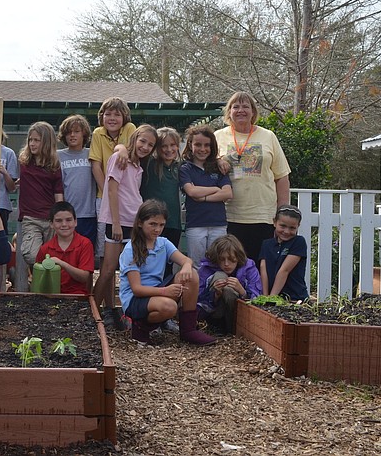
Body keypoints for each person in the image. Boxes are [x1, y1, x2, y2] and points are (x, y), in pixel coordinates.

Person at [119, 199, 216, 345]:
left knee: (192, 276)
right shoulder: (130, 250)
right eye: (152, 224)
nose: (157, 229)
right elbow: (137, 289)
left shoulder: (163, 242)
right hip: (135, 299)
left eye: (161, 225)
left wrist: (186, 267)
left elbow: (186, 260)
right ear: (140, 223)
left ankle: (188, 330)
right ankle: (140, 327)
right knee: (170, 307)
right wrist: (165, 291)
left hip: (158, 291)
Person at [214, 91, 291, 264]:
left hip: (263, 216)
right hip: (228, 216)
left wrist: (282, 214)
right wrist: (218, 159)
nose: (240, 110)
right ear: (229, 112)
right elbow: (202, 164)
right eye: (236, 106)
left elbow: (282, 177)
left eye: (245, 106)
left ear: (253, 112)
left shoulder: (268, 136)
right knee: (231, 266)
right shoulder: (218, 136)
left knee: (261, 267)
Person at [94, 124, 158, 330]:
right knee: (108, 269)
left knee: (130, 269)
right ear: (134, 138)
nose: (145, 146)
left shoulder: (139, 166)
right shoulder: (120, 159)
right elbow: (111, 190)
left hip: (134, 221)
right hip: (117, 221)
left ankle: (123, 313)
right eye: (142, 141)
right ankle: (92, 311)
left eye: (150, 144)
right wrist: (115, 223)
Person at [89, 98, 136, 267]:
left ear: (125, 117)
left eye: (117, 114)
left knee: (127, 246)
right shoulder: (97, 133)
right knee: (104, 245)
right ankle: (105, 288)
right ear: (101, 117)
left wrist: (122, 148)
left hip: (126, 196)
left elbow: (132, 151)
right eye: (107, 114)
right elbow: (96, 165)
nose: (112, 118)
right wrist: (108, 192)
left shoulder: (130, 129)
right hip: (104, 195)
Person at [180, 125, 232, 264]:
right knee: (196, 264)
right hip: (196, 224)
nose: (202, 149)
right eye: (198, 144)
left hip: (218, 224)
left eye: (207, 145)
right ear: (190, 144)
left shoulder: (219, 167)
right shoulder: (186, 168)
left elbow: (227, 193)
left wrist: (202, 197)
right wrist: (215, 189)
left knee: (218, 262)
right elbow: (191, 191)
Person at [17, 121, 64, 275]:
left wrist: (60, 216)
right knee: (31, 254)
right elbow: (13, 183)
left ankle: (43, 285)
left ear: (46, 142)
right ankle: (38, 276)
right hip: (30, 217)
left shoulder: (54, 165)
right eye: (30, 140)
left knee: (53, 254)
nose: (32, 143)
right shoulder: (24, 162)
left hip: (49, 218)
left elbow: (58, 193)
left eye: (36, 140)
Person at [197, 235, 261, 333]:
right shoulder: (206, 269)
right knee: (220, 275)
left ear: (238, 257)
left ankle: (232, 329)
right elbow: (198, 300)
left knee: (228, 291)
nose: (226, 264)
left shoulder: (249, 268)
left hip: (241, 317)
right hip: (213, 315)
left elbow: (258, 298)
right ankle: (216, 327)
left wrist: (242, 291)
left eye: (231, 259)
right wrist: (215, 295)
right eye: (222, 259)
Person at [35, 201, 95, 295]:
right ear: (51, 224)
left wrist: (61, 264)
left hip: (77, 295)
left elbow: (84, 277)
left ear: (75, 222)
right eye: (59, 221)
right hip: (51, 295)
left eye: (68, 220)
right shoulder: (45, 248)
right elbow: (38, 278)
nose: (64, 224)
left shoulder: (85, 244)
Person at [57, 114, 97, 250]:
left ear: (84, 134)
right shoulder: (58, 156)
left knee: (86, 252)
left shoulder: (92, 154)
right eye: (68, 132)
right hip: (67, 215)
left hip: (89, 213)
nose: (72, 135)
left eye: (76, 132)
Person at [140, 127, 183, 248]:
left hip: (173, 223)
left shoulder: (181, 167)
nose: (169, 149)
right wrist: (120, 149)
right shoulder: (148, 163)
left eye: (173, 145)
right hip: (150, 223)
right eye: (164, 146)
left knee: (168, 263)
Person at [260, 205, 309, 301]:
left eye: (292, 228)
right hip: (271, 296)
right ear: (274, 222)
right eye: (283, 226)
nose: (286, 231)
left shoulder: (299, 242)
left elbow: (284, 270)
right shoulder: (266, 244)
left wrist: (272, 298)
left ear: (298, 226)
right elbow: (263, 269)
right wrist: (265, 297)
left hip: (294, 297)